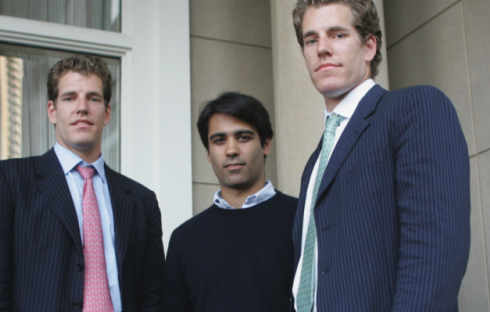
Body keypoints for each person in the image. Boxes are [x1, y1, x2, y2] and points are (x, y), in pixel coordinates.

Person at [290, 0, 470, 311]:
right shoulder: (315, 162)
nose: (322, 48)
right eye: (311, 39)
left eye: (337, 35)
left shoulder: (414, 108)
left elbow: (435, 252)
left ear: (369, 46)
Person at [0, 54, 165, 311]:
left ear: (106, 113)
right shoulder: (7, 181)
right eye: (70, 97)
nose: (82, 107)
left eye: (93, 98)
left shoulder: (142, 200)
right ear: (52, 111)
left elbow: (154, 296)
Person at [163, 92, 298, 312]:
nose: (231, 150)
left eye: (243, 137)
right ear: (208, 152)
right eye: (219, 140)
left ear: (266, 144)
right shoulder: (184, 239)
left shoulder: (303, 220)